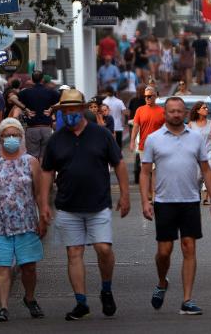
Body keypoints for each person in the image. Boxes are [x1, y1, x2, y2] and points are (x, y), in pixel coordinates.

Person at [40, 88, 130, 320]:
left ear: (81, 110)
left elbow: (119, 163)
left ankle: (106, 289)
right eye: (66, 110)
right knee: (74, 253)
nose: (70, 114)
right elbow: (47, 172)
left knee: (104, 249)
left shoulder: (101, 135)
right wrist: (43, 204)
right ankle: (81, 303)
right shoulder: (56, 140)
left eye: (73, 109)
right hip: (68, 206)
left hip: (98, 204)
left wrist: (125, 195)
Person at [141, 98, 211, 315]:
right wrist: (146, 200)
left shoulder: (195, 138)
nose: (176, 114)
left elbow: (206, 170)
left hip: (190, 201)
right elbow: (145, 172)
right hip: (164, 202)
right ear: (165, 113)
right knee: (164, 252)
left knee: (189, 247)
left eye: (179, 111)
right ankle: (161, 282)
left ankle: (187, 300)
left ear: (184, 113)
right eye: (171, 111)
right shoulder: (153, 139)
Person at [0, 118, 46, 322]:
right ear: (0, 138)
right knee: (2, 266)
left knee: (29, 267)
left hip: (27, 223)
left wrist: (43, 218)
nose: (11, 139)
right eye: (7, 135)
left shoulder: (31, 162)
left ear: (22, 138)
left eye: (15, 135)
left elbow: (39, 193)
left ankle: (30, 298)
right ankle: (3, 307)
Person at [18, 71, 60, 160]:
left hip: (32, 128)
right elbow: (64, 100)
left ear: (32, 80)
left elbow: (12, 98)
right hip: (46, 128)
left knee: (32, 157)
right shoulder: (50, 92)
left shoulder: (26, 92)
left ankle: (35, 173)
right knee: (44, 157)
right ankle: (42, 173)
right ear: (42, 79)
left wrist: (25, 109)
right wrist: (52, 108)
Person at [130, 86, 165, 185]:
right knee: (146, 172)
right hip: (143, 147)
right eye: (145, 96)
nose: (147, 98)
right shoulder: (140, 110)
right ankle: (149, 195)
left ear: (155, 96)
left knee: (155, 171)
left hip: (158, 147)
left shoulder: (162, 111)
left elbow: (167, 129)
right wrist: (132, 141)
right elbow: (136, 127)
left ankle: (155, 197)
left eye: (150, 96)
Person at [186, 101, 211, 204]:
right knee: (198, 175)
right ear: (198, 111)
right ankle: (197, 191)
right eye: (204, 108)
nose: (207, 109)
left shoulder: (210, 123)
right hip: (197, 153)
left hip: (209, 151)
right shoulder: (191, 124)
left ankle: (206, 197)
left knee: (209, 173)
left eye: (207, 108)